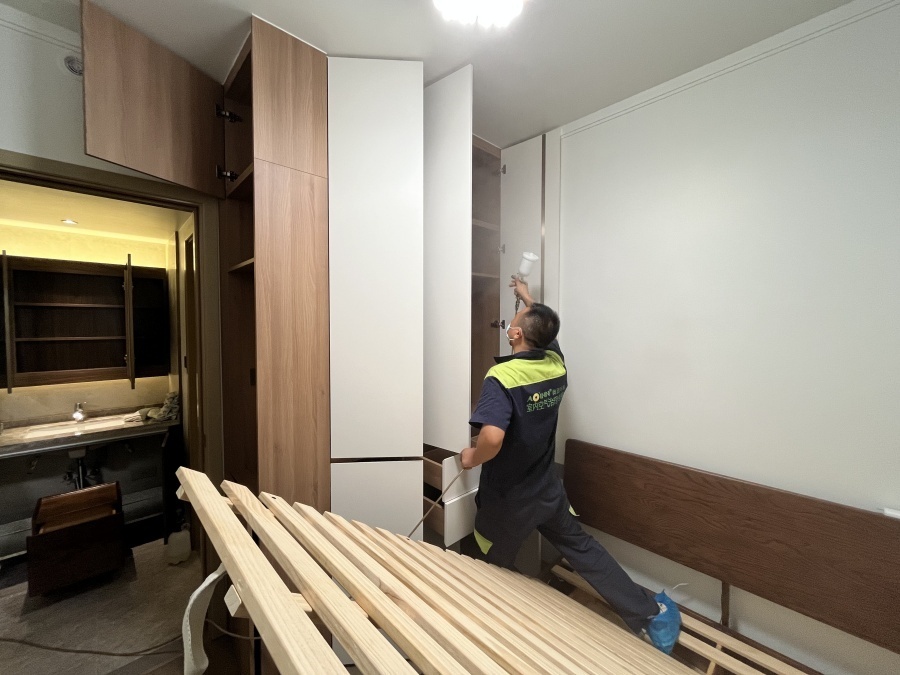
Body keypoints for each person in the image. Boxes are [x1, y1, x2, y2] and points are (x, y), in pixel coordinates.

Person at [461, 276, 682, 654]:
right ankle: (651, 617)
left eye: (517, 320)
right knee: (584, 550)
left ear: (516, 334)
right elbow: (547, 332)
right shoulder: (555, 365)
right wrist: (527, 297)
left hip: (509, 501)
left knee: (491, 566)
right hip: (547, 490)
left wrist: (471, 457)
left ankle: (499, 638)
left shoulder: (502, 377)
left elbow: (492, 439)